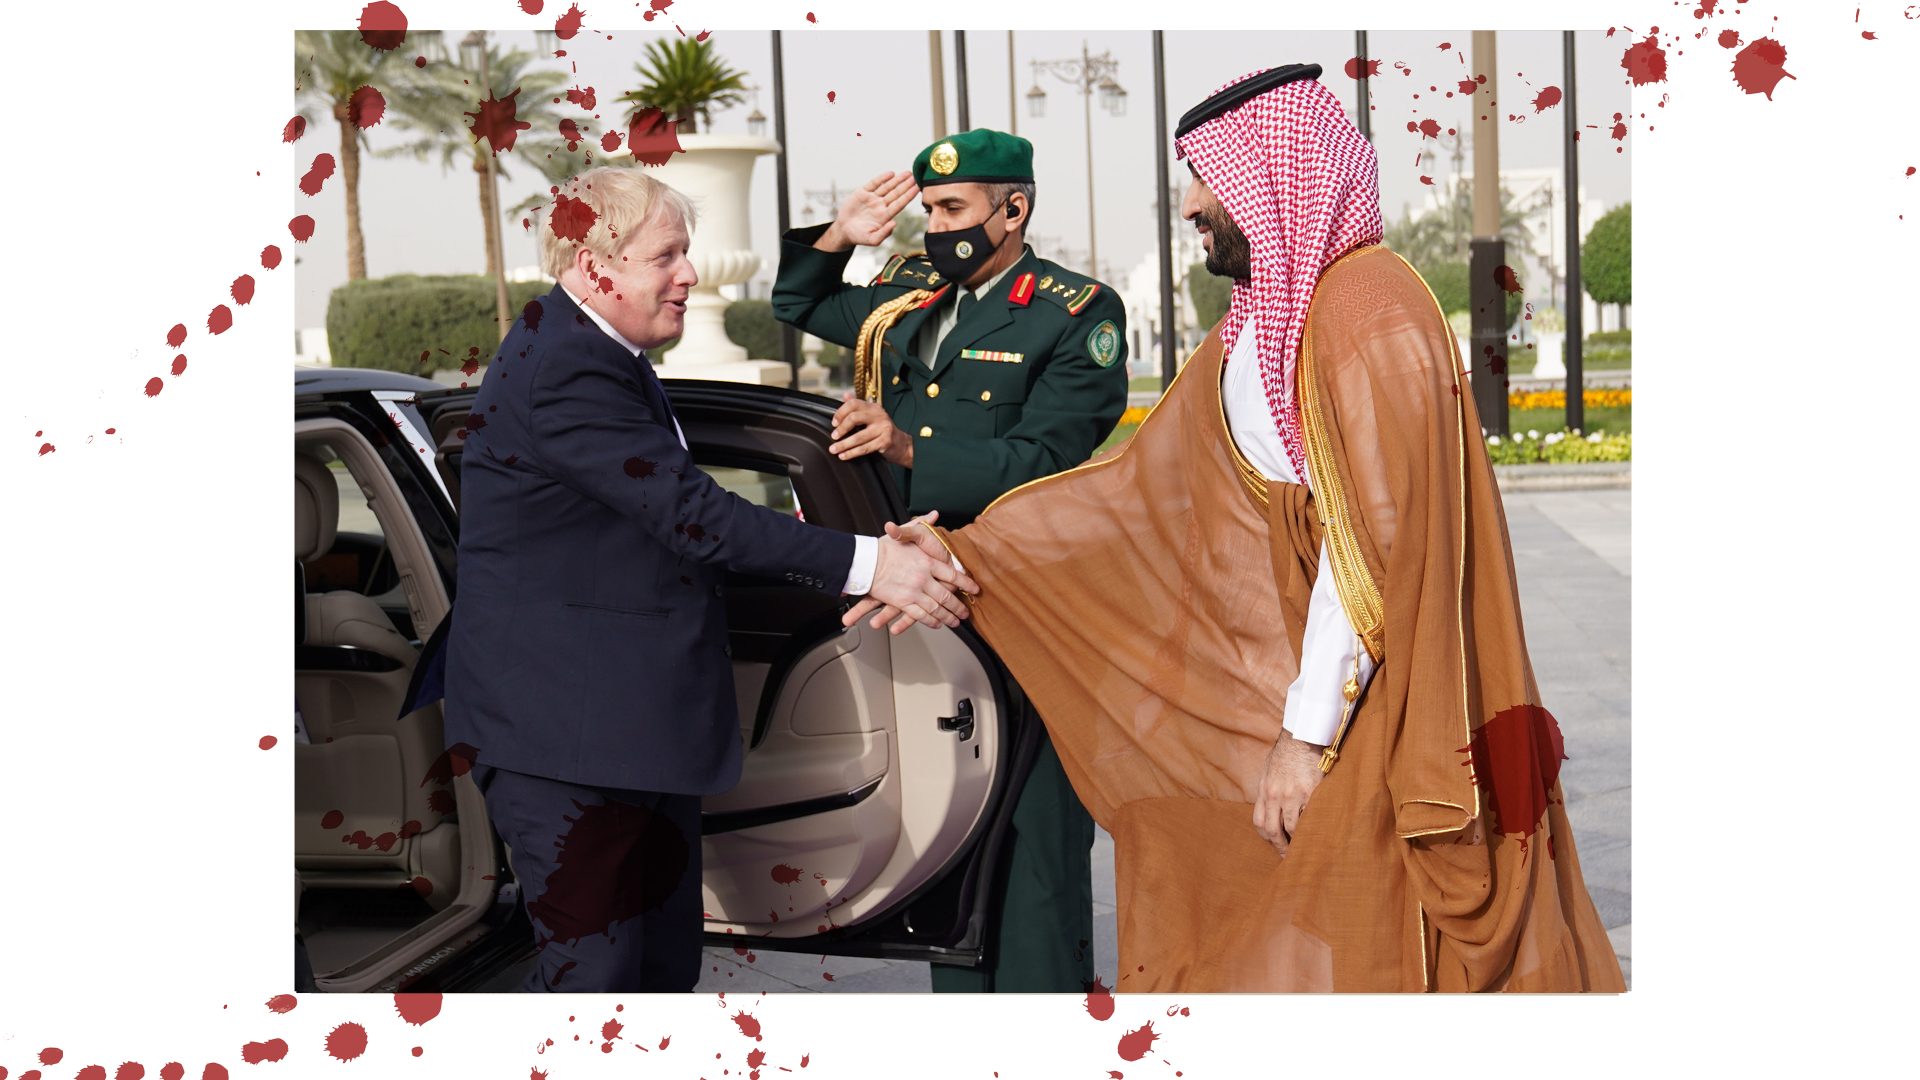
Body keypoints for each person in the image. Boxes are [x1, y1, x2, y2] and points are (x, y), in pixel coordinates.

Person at [854, 66, 1625, 991]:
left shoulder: (1367, 310)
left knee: (1382, 903)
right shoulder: (1261, 320)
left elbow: (1369, 546)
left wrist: (1304, 735)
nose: (1190, 206)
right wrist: (966, 552)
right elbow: (1140, 490)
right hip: (1301, 671)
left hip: (1377, 681)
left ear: (1271, 177)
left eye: (1206, 180)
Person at [442, 166, 977, 994]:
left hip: (617, 734)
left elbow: (655, 524)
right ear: (597, 266)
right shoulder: (568, 369)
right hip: (569, 743)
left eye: (686, 253)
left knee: (657, 973)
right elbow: (696, 517)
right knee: (599, 987)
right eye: (667, 256)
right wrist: (876, 566)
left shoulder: (593, 351)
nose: (688, 274)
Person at [772, 129, 1128, 993]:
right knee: (944, 836)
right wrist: (839, 237)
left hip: (1024, 608)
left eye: (954, 209)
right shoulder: (906, 291)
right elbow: (797, 302)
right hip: (921, 609)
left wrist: (904, 447)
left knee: (1034, 845)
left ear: (1014, 210)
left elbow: (1049, 458)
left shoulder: (1077, 313)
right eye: (929, 209)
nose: (936, 226)